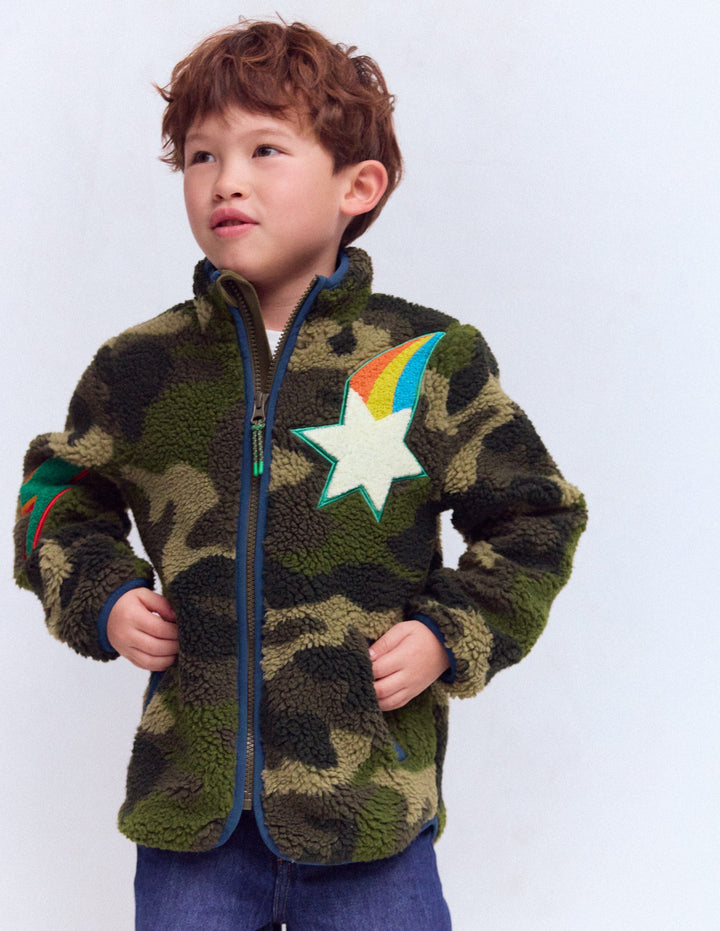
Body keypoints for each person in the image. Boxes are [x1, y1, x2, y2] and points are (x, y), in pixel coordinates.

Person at [13, 18, 587, 931]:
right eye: (201, 156)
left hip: (371, 813)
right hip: (192, 818)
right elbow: (53, 497)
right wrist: (103, 595)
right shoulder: (140, 368)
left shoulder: (425, 359)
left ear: (358, 185)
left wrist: (449, 632)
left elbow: (536, 517)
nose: (225, 180)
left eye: (264, 149)